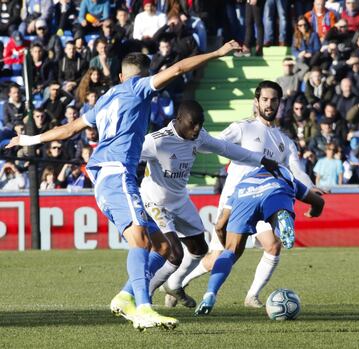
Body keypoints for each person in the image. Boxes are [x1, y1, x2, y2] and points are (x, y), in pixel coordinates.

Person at [6, 40, 244, 330]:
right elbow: (179, 67)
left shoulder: (104, 100)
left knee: (164, 249)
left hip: (110, 177)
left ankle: (125, 296)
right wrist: (218, 53)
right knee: (141, 240)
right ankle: (143, 308)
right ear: (144, 76)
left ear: (120, 76)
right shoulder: (139, 88)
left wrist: (28, 140)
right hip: (116, 173)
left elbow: (68, 130)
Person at [120, 100, 277, 308]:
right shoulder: (156, 141)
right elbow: (126, 155)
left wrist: (261, 159)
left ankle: (174, 284)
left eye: (200, 124)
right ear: (178, 120)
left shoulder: (199, 136)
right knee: (174, 254)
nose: (196, 129)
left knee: (199, 248)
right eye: (192, 124)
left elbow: (226, 149)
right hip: (154, 201)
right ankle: (143, 298)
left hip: (180, 200)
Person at [175, 80, 318, 309]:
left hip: (266, 198)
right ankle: (178, 284)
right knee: (218, 257)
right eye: (265, 99)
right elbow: (212, 143)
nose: (269, 104)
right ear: (256, 102)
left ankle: (251, 295)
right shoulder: (242, 128)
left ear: (280, 104)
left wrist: (310, 187)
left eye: (274, 100)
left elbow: (296, 170)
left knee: (272, 245)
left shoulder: (285, 141)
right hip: (236, 200)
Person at [194, 165, 325, 315]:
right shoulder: (284, 173)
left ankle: (210, 294)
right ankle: (280, 220)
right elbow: (319, 203)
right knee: (276, 225)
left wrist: (227, 248)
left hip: (244, 196)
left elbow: (219, 225)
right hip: (276, 189)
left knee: (230, 251)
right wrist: (312, 213)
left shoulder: (243, 181)